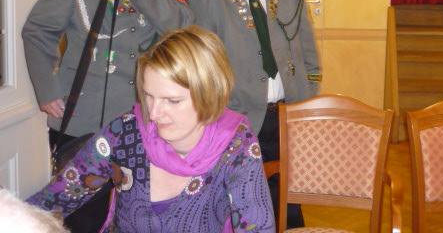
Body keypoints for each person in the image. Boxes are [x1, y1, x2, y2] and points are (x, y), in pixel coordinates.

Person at [22, 0, 193, 232]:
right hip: (85, 118)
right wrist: (47, 89)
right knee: (85, 218)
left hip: (150, 119)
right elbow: (38, 30)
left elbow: (183, 29)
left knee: (141, 215)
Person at [27, 26, 275, 232]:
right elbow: (54, 199)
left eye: (172, 101)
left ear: (211, 94)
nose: (153, 114)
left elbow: (258, 225)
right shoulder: (124, 133)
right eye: (148, 96)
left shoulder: (236, 145)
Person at [189, 0, 321, 228]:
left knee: (290, 198)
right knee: (244, 200)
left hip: (289, 110)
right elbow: (203, 66)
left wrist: (309, 91)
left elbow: (306, 42)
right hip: (240, 114)